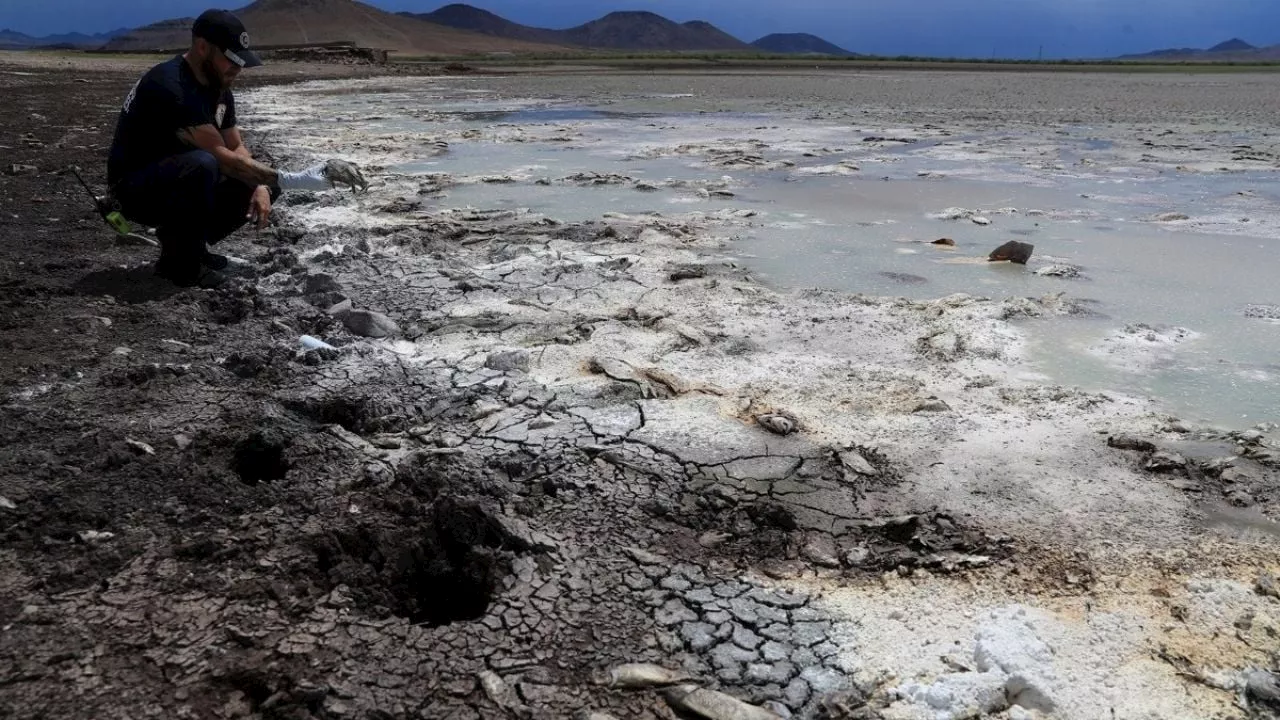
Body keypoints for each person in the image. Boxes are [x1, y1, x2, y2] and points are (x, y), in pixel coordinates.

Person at [106, 9, 364, 288]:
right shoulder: (171, 86)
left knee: (261, 181)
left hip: (174, 179)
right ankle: (180, 266)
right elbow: (223, 158)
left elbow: (236, 145)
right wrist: (297, 179)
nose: (237, 69)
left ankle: (192, 248)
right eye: (230, 60)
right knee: (205, 165)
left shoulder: (218, 88)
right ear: (202, 47)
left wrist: (263, 186)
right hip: (134, 190)